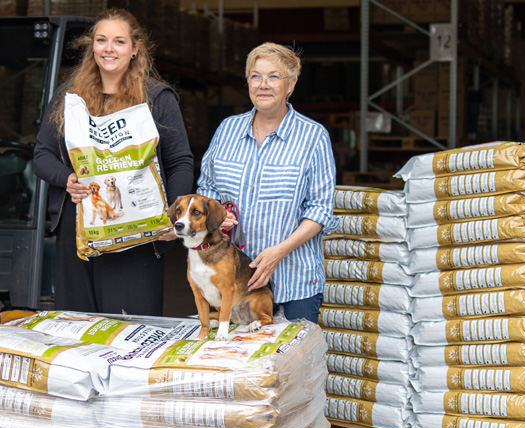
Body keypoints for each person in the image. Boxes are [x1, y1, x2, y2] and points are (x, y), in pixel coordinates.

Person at [34, 8, 194, 316]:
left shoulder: (157, 98)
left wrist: (172, 216)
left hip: (138, 234)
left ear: (135, 49)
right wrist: (66, 178)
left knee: (130, 330)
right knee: (77, 330)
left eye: (119, 41)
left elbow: (181, 162)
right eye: (101, 40)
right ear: (91, 45)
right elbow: (42, 155)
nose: (109, 49)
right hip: (80, 233)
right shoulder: (70, 96)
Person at [196, 42, 339, 324]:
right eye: (256, 76)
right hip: (233, 281)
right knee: (237, 363)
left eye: (274, 77)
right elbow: (206, 189)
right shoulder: (227, 130)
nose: (263, 85)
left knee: (290, 365)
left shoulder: (313, 137)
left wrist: (278, 253)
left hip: (293, 281)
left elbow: (320, 210)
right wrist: (217, 217)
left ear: (291, 85)